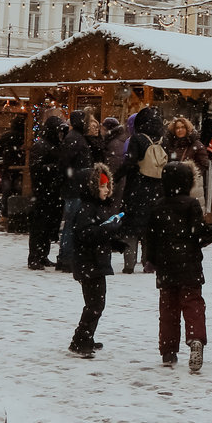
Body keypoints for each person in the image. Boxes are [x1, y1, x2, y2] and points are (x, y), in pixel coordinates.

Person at [147, 162, 212, 371]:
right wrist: (209, 233)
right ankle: (195, 338)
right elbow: (198, 233)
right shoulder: (191, 204)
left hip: (166, 266)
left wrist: (152, 258)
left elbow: (150, 237)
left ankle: (168, 350)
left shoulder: (157, 206)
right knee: (192, 303)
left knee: (168, 309)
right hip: (189, 264)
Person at [67, 164, 125, 357]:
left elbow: (97, 233)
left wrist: (115, 242)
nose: (106, 190)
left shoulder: (96, 207)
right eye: (102, 186)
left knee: (96, 304)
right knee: (94, 305)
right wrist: (109, 229)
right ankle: (80, 340)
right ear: (91, 187)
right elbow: (87, 235)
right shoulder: (86, 209)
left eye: (108, 186)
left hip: (95, 263)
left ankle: (86, 337)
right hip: (89, 264)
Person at [119, 108, 168, 274]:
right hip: (157, 190)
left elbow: (129, 163)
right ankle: (149, 262)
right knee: (150, 229)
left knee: (131, 228)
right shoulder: (163, 140)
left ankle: (129, 264)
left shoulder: (137, 139)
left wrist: (115, 177)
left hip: (137, 189)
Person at [55, 111, 96, 273]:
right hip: (75, 188)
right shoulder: (75, 139)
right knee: (72, 224)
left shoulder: (76, 137)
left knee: (72, 224)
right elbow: (65, 164)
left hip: (75, 186)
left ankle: (66, 257)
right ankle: (66, 258)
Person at [27, 117, 66, 270]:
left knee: (47, 226)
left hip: (51, 192)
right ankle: (35, 257)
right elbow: (36, 168)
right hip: (43, 192)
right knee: (39, 227)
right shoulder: (41, 146)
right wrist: (56, 167)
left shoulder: (53, 144)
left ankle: (42, 255)